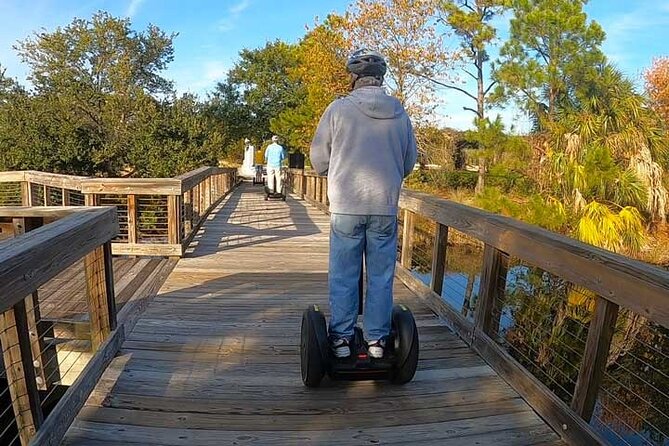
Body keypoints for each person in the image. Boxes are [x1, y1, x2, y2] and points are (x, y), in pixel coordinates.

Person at [310, 48, 417, 359]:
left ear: (354, 77)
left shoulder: (338, 109)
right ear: (381, 77)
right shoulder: (400, 112)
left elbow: (318, 159)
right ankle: (377, 341)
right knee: (381, 276)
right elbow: (409, 161)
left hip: (346, 206)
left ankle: (341, 339)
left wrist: (338, 174)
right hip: (384, 205)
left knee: (344, 273)